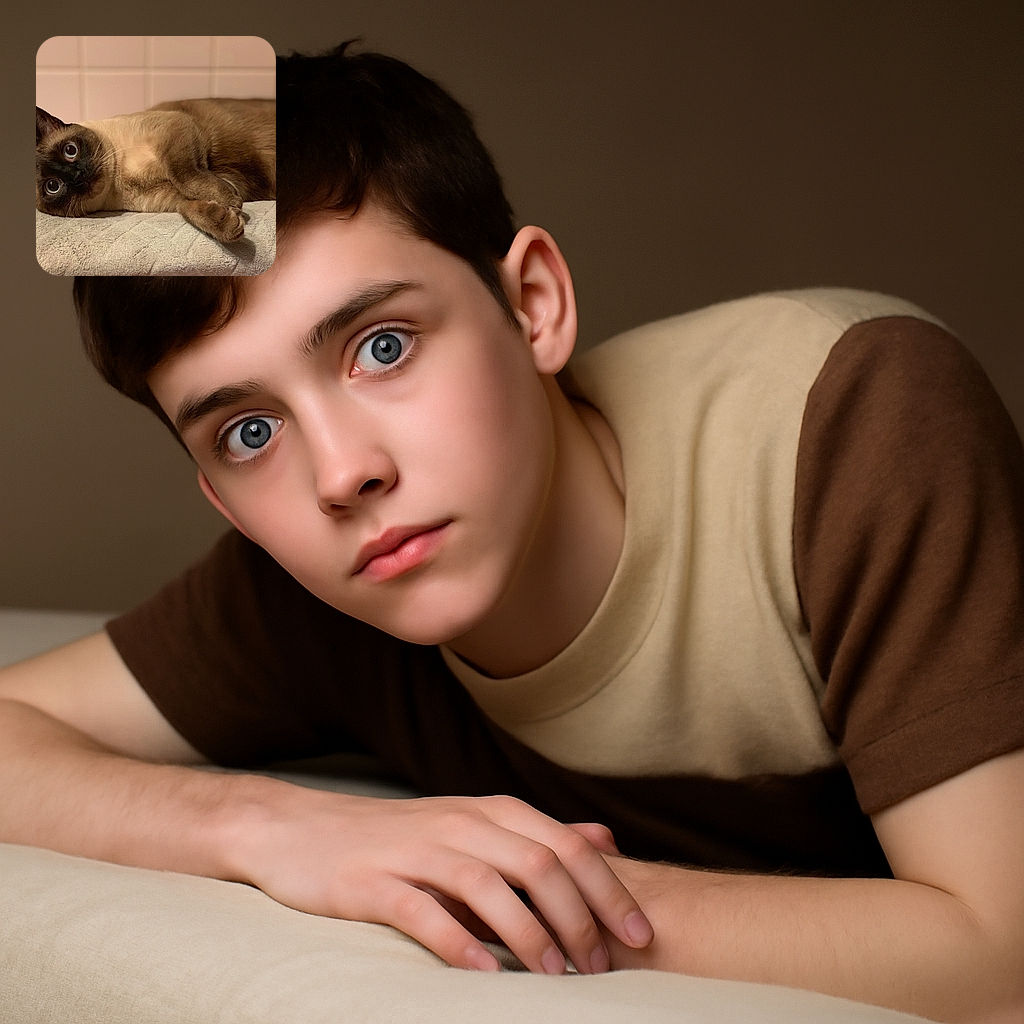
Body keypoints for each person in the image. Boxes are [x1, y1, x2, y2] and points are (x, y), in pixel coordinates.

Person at [3, 41, 1023, 1022]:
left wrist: (515, 888)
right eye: (249, 430)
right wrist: (275, 829)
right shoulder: (309, 577)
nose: (342, 471)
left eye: (383, 345)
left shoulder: (851, 417)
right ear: (221, 501)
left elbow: (1001, 963)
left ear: (532, 304)